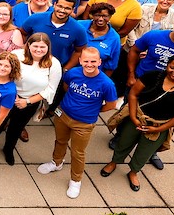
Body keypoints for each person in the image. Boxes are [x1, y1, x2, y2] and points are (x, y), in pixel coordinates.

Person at [102, 56, 174, 191]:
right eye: (172, 67)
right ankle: (114, 162)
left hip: (159, 125)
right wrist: (134, 117)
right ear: (167, 66)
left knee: (145, 151)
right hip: (138, 118)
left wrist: (159, 129)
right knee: (124, 142)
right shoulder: (152, 76)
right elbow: (133, 94)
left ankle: (133, 172)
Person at [38, 47, 119, 199]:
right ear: (80, 61)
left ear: (99, 62)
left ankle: (76, 180)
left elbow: (111, 104)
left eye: (93, 61)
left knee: (78, 152)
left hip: (84, 123)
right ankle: (56, 163)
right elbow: (66, 87)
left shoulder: (107, 84)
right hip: (63, 115)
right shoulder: (73, 73)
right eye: (86, 61)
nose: (89, 64)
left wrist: (93, 109)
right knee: (60, 141)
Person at [4, 33, 62, 165]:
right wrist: (14, 95)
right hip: (9, 96)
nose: (39, 50)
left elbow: (50, 89)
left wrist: (27, 101)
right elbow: (5, 74)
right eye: (35, 46)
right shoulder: (16, 55)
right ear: (29, 45)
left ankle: (8, 149)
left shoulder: (54, 64)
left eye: (43, 47)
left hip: (29, 102)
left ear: (48, 48)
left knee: (16, 128)